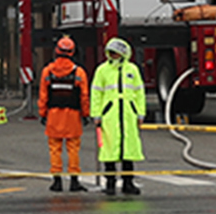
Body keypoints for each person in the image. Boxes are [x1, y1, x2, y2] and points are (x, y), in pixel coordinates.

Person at [90, 36, 145, 195]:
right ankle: (110, 184)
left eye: (116, 53)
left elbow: (139, 92)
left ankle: (128, 183)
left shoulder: (132, 70)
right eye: (111, 53)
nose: (113, 55)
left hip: (128, 115)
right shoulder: (102, 70)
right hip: (110, 116)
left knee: (128, 150)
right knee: (109, 150)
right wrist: (97, 114)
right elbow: (96, 94)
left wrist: (140, 113)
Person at [38, 37, 86, 192]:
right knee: (73, 149)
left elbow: (43, 95)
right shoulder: (79, 72)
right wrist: (85, 114)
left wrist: (42, 113)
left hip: (53, 114)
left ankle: (57, 181)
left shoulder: (48, 71)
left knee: (54, 148)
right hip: (72, 116)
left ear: (56, 51)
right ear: (72, 53)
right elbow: (84, 96)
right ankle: (74, 181)